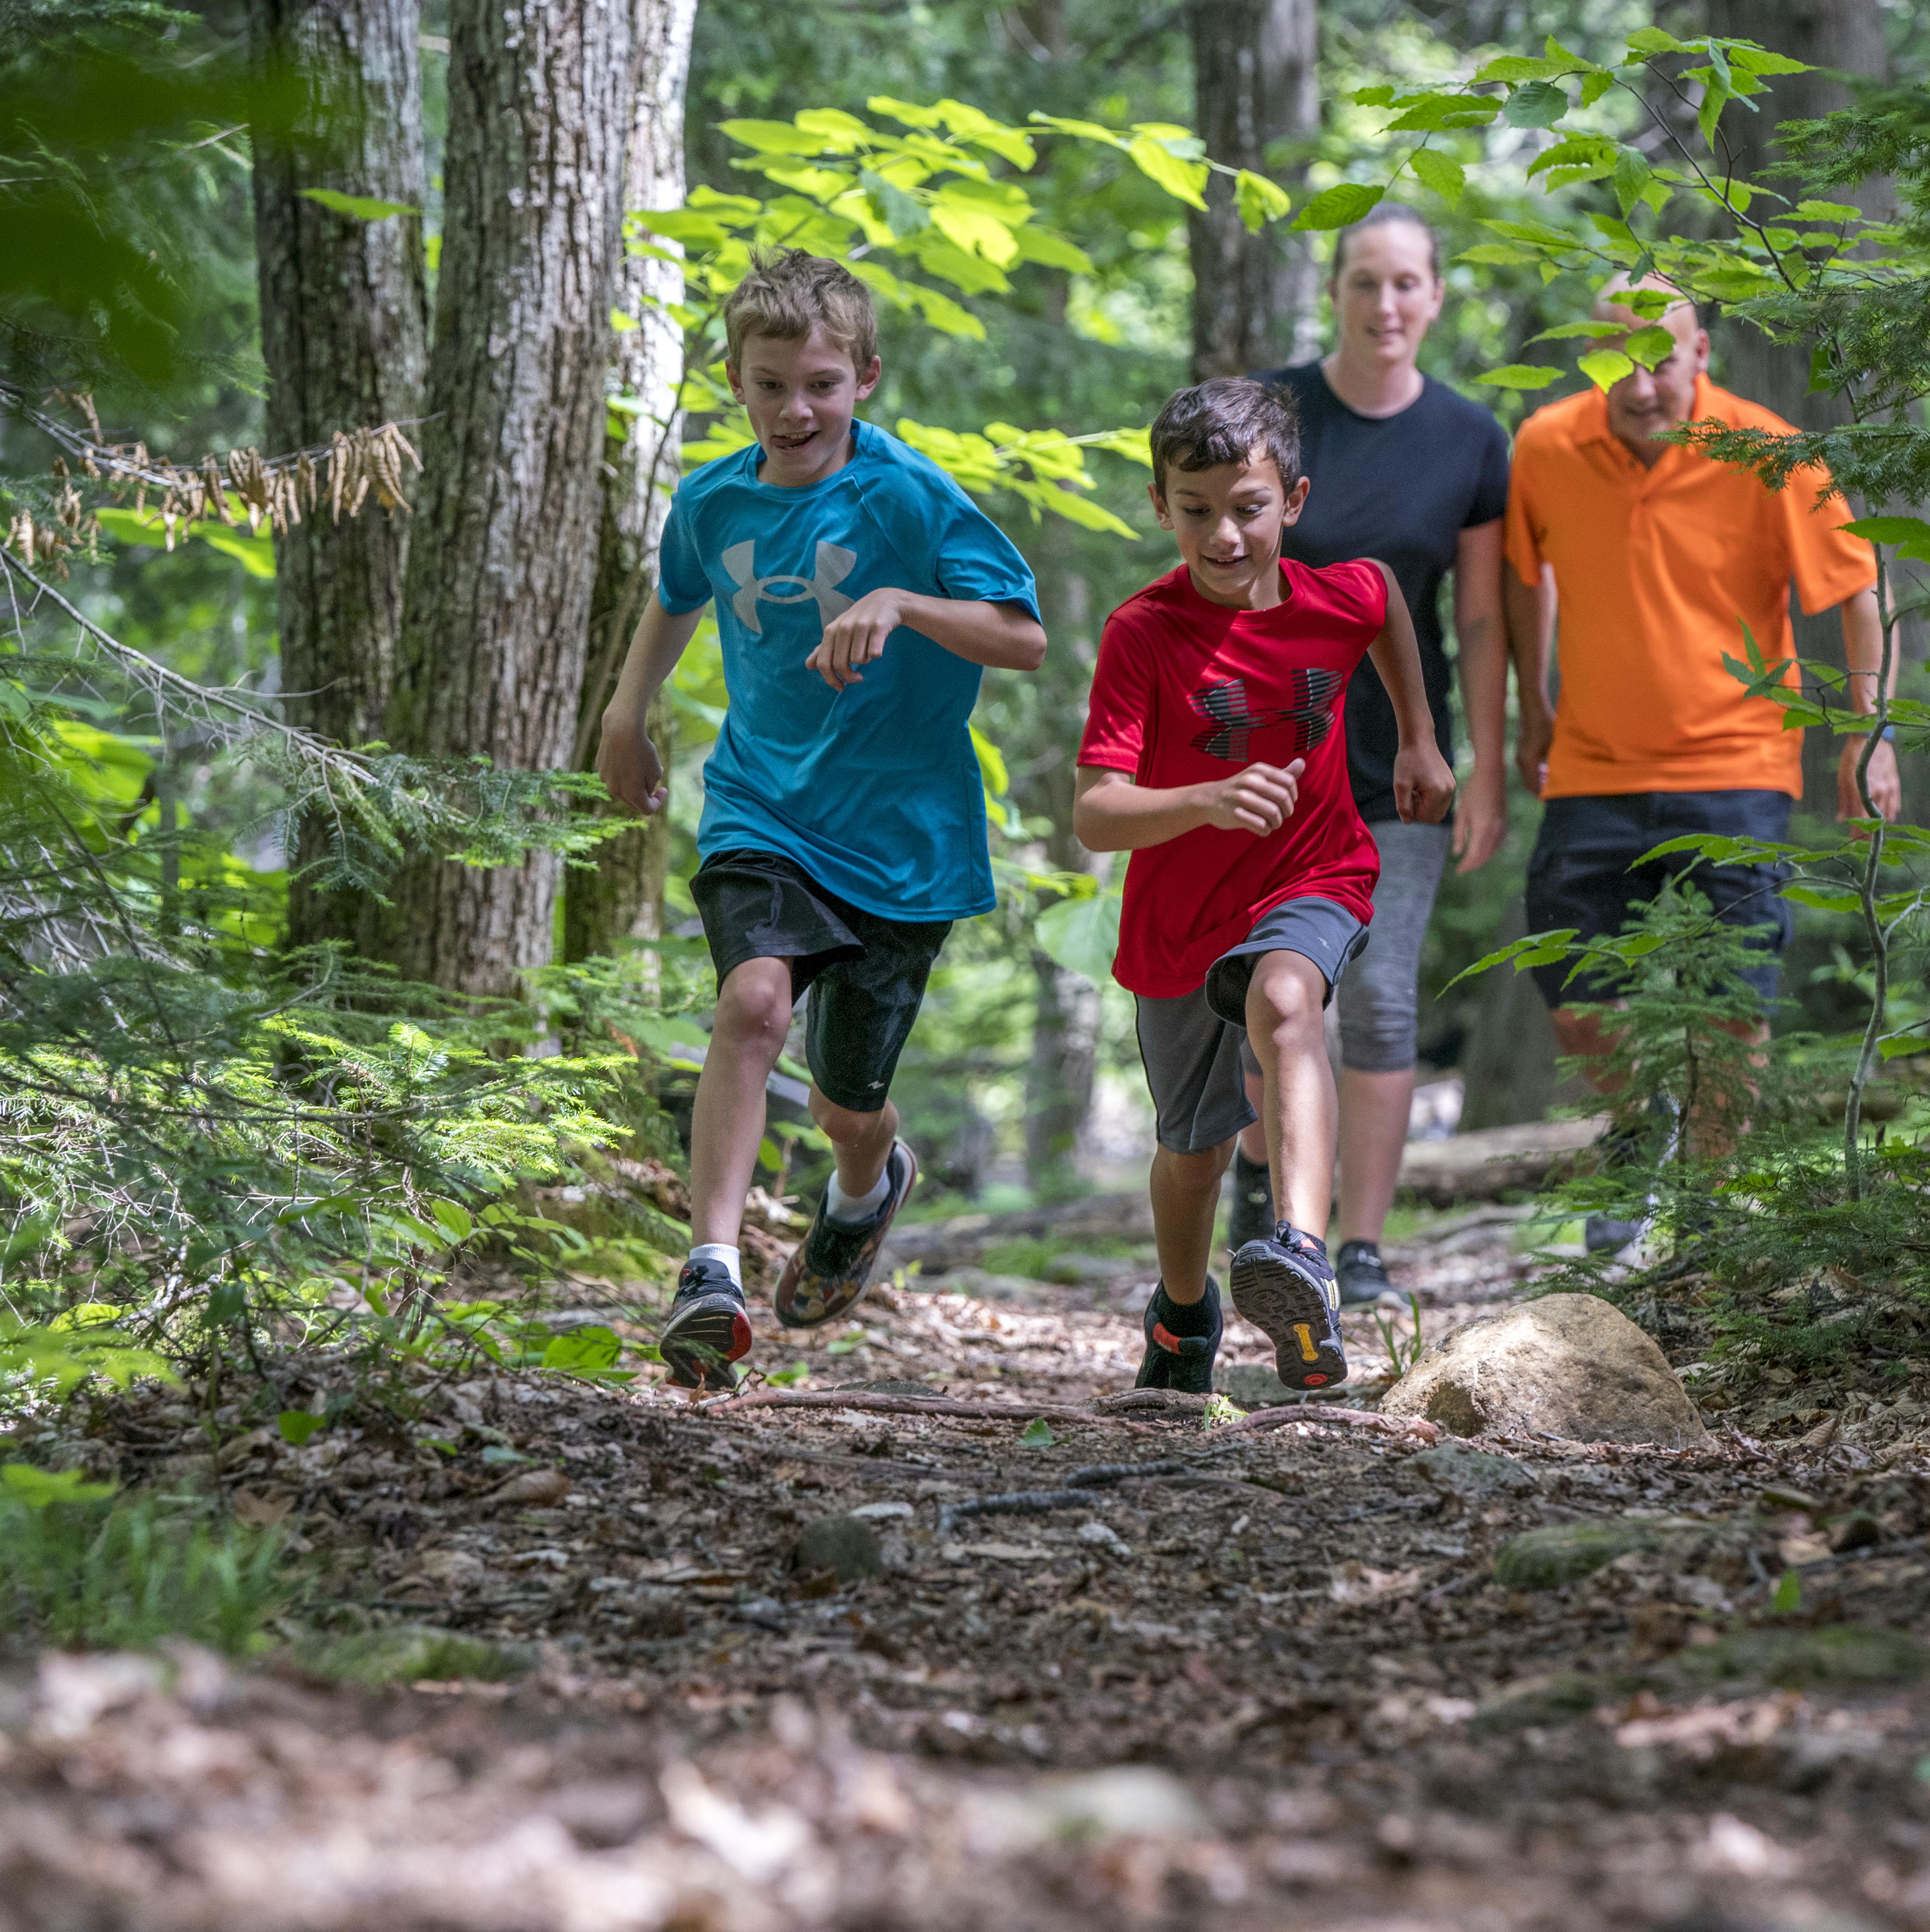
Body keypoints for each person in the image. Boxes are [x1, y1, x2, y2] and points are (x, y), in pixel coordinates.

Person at [594, 252, 1047, 1387]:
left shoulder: (908, 496)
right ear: (737, 385)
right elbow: (677, 596)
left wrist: (900, 601)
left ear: (866, 379)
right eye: (771, 384)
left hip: (904, 843)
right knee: (751, 1004)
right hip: (764, 805)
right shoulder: (713, 500)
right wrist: (623, 714)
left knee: (851, 1107)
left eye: (823, 384)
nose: (797, 409)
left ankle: (865, 1182)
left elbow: (1023, 636)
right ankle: (710, 1271)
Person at [1074, 377, 1453, 1394]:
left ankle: (1302, 1255)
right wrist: (1202, 800)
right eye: (1195, 511)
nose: (1223, 535)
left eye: (1247, 509)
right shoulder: (1142, 634)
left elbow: (1386, 605)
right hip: (1179, 919)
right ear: (1162, 506)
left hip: (1316, 867)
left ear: (1293, 499)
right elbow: (1096, 813)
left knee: (1287, 1001)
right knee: (1191, 1155)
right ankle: (1183, 1314)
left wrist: (1416, 738)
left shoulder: (1340, 595)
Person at [1504, 274, 1897, 1252]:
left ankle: (1707, 1208)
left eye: (1662, 361)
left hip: (1740, 762)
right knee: (1567, 966)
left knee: (1734, 995)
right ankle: (1642, 1134)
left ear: (1702, 357)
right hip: (1592, 764)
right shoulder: (1546, 447)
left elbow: (1857, 586)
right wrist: (1534, 707)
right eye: (1620, 363)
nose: (1641, 386)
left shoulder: (1767, 453)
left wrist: (1866, 738)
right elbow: (1527, 580)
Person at [1222, 203, 1514, 1307]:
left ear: (1435, 297)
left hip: (1404, 757)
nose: (1385, 306)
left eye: (1406, 284)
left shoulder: (1471, 440)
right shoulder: (1273, 411)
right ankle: (1266, 1193)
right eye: (1364, 283)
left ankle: (1361, 1250)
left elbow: (1478, 621)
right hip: (1268, 756)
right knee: (1277, 990)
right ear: (1336, 294)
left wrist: (1484, 759)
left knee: (1384, 998)